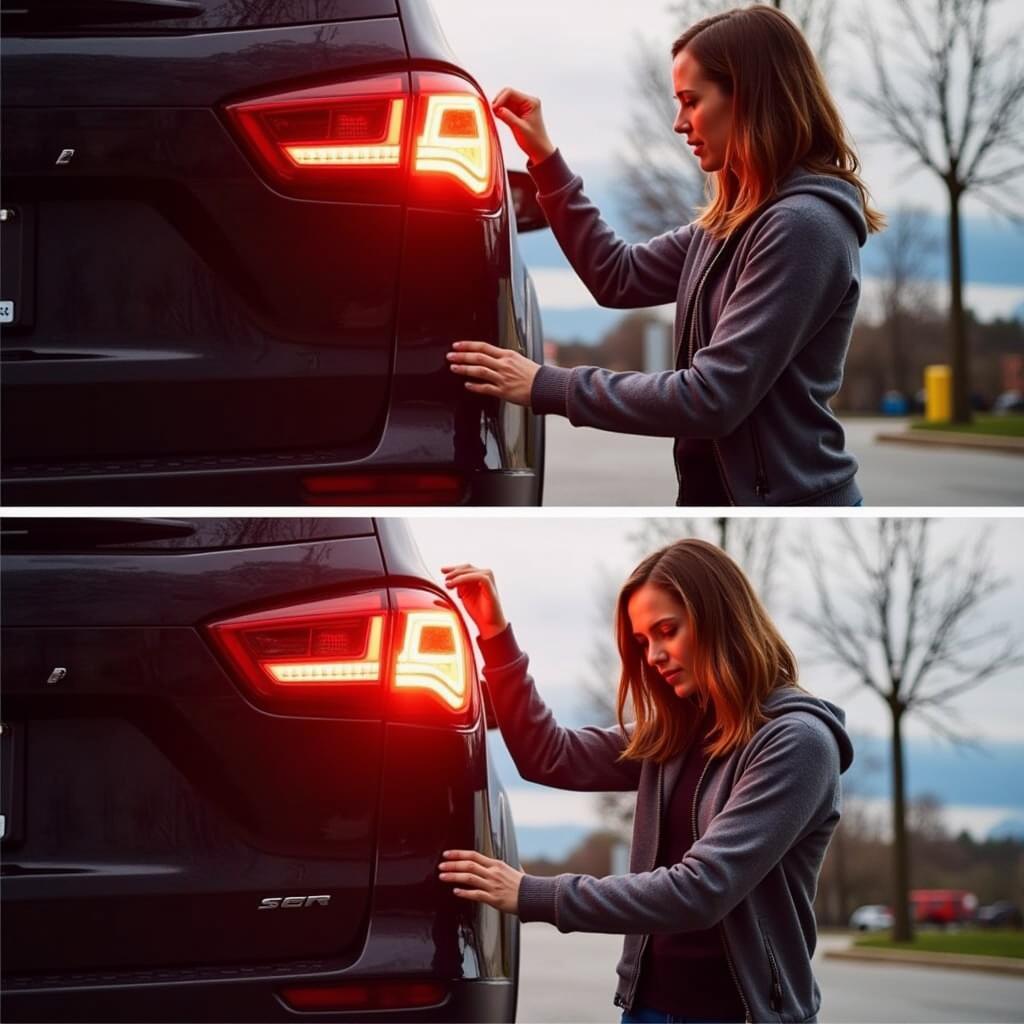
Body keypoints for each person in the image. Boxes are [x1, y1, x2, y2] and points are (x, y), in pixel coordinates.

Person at [446, 5, 884, 506]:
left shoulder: (803, 227)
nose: (679, 123)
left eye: (691, 101)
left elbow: (711, 397)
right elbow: (618, 275)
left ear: (749, 97)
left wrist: (547, 385)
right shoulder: (730, 223)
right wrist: (544, 159)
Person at [438, 540, 854, 1024]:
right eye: (642, 641)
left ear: (720, 618)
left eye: (666, 631)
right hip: (647, 1010)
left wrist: (534, 893)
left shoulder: (798, 744)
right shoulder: (678, 735)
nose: (654, 655)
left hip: (742, 1015)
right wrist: (495, 635)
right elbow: (550, 756)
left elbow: (701, 890)